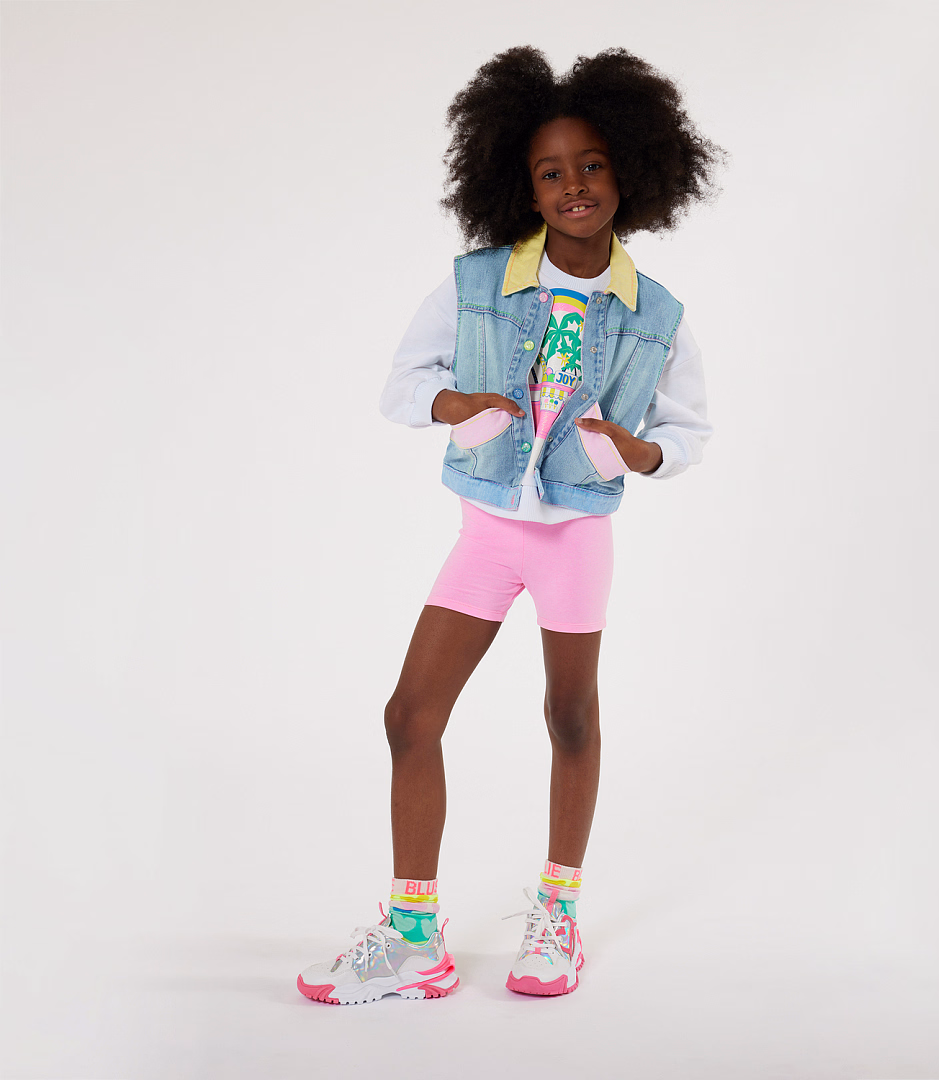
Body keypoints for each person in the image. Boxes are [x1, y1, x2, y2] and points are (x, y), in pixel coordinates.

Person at [297, 45, 724, 1004]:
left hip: (575, 539)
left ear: (630, 172)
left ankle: (557, 915)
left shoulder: (658, 316)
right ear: (523, 188)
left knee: (569, 716)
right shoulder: (475, 282)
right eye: (551, 171)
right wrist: (453, 406)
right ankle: (415, 938)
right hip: (487, 532)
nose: (574, 185)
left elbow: (689, 434)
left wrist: (640, 453)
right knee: (411, 716)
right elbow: (402, 386)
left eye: (592, 165)